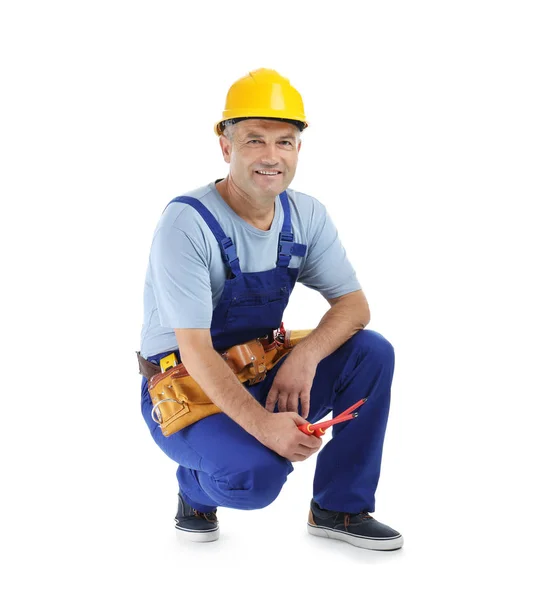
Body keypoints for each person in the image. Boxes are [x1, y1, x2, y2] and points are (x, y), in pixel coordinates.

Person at [138, 68, 403, 551]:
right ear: (226, 146)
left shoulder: (306, 215)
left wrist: (304, 359)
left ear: (298, 149)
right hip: (185, 388)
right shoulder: (187, 223)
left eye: (284, 142)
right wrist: (265, 429)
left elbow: (354, 305)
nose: (270, 156)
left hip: (260, 368)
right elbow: (195, 351)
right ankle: (194, 490)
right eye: (254, 140)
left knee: (371, 351)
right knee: (255, 478)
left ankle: (339, 508)